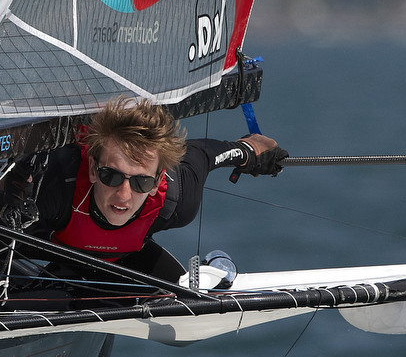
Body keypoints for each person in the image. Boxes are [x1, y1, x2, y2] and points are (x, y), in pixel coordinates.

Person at [18, 96, 286, 283]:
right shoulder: (54, 184)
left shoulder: (177, 200)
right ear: (92, 170)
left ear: (158, 181)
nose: (124, 195)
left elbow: (205, 154)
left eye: (141, 182)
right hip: (35, 247)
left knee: (175, 290)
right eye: (111, 176)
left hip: (126, 261)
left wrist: (250, 150)